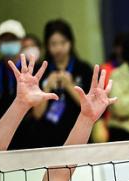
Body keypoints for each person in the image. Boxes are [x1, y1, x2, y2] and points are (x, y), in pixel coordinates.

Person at [32, 19, 94, 147]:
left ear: (71, 43)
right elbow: (37, 114)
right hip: (47, 140)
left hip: (80, 139)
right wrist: (47, 87)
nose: (58, 48)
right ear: (47, 46)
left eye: (63, 43)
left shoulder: (83, 69)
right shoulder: (40, 70)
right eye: (53, 44)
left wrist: (69, 86)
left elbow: (91, 109)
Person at [0, 19, 34, 149]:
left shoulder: (35, 70)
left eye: (13, 39)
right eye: (5, 40)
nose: (8, 43)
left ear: (22, 42)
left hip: (30, 140)